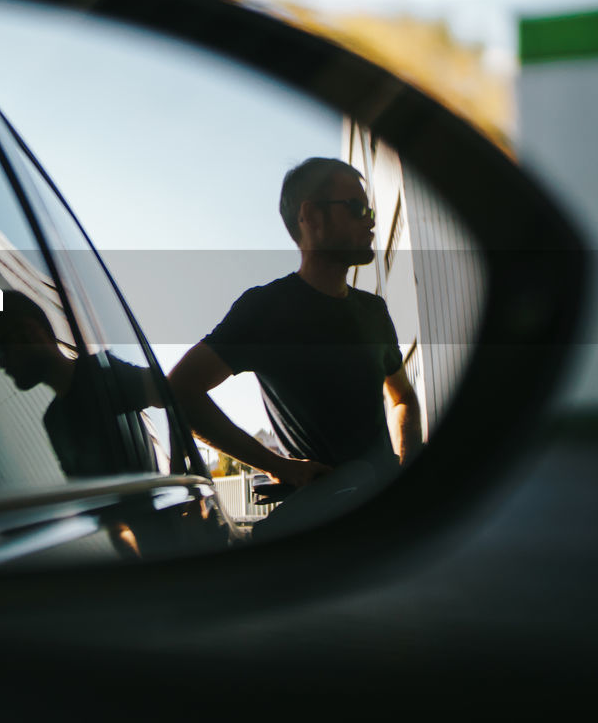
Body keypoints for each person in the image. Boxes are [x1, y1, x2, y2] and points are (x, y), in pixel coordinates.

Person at [168, 157, 422, 496]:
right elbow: (181, 389)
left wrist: (409, 469)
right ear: (311, 216)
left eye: (371, 212)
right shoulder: (266, 309)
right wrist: (277, 466)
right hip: (323, 521)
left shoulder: (373, 311)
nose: (371, 223)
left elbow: (403, 396)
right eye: (357, 208)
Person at [0, 290, 160, 479]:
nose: (0, 364)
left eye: (0, 349)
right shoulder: (53, 421)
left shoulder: (101, 373)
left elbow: (173, 392)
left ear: (30, 333)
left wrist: (180, 471)